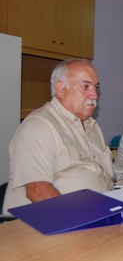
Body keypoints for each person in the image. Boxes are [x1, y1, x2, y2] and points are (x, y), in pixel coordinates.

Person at [3, 58, 114, 214]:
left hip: (97, 215)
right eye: (85, 87)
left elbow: (104, 179)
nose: (94, 94)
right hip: (44, 225)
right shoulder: (38, 126)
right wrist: (78, 221)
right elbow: (38, 191)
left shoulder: (93, 127)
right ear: (61, 90)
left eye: (95, 87)